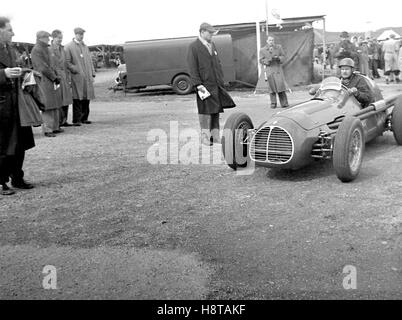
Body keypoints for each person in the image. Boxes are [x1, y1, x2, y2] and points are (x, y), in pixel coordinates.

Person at [0, 16, 35, 195]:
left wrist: (26, 73)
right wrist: (3, 73)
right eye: (9, 29)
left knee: (20, 142)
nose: (13, 33)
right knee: (4, 145)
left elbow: (16, 70)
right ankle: (1, 183)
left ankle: (17, 177)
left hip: (17, 104)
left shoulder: (11, 50)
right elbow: (6, 73)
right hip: (3, 105)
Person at [187, 22, 236, 146]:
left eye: (212, 33)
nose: (212, 35)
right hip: (203, 85)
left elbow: (217, 63)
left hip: (215, 84)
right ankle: (205, 138)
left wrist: (220, 80)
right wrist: (198, 85)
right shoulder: (193, 47)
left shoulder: (212, 45)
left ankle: (215, 137)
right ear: (202, 32)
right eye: (210, 33)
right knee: (204, 112)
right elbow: (192, 68)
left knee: (215, 110)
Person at [31, 30, 63, 137]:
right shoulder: (36, 50)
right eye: (46, 37)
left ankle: (55, 126)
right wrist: (54, 77)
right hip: (43, 79)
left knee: (55, 103)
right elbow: (42, 67)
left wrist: (56, 76)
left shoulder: (46, 48)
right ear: (40, 38)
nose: (48, 39)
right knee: (47, 104)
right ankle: (48, 129)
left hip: (50, 78)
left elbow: (53, 64)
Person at [65, 27, 96, 126]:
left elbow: (90, 61)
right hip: (77, 77)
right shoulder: (68, 47)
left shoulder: (85, 46)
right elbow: (67, 62)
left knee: (87, 97)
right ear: (75, 34)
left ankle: (84, 117)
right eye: (79, 34)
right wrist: (75, 70)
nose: (81, 36)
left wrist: (92, 72)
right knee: (77, 97)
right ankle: (77, 119)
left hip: (87, 77)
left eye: (82, 34)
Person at [50, 30, 73, 127]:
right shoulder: (49, 49)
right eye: (59, 38)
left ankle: (64, 120)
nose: (60, 40)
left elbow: (66, 64)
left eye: (61, 38)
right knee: (58, 99)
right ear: (53, 38)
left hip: (64, 76)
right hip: (55, 76)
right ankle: (58, 121)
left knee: (66, 99)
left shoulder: (63, 49)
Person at [259, 36, 289, 109]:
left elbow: (283, 56)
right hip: (270, 69)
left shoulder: (279, 47)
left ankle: (284, 103)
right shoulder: (262, 50)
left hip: (278, 69)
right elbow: (261, 60)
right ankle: (273, 103)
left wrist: (278, 58)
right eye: (269, 40)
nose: (271, 42)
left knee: (280, 87)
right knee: (271, 88)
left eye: (272, 40)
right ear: (267, 41)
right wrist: (268, 60)